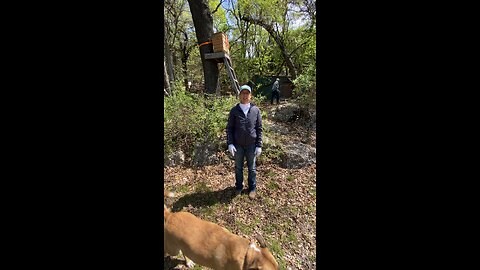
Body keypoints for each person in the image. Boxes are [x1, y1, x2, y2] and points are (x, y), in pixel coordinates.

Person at [226, 85, 263, 199]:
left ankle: (252, 188)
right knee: (238, 168)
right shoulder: (234, 110)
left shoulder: (255, 110)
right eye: (243, 93)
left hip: (252, 145)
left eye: (247, 93)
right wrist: (230, 143)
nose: (245, 96)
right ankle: (238, 187)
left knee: (252, 168)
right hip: (238, 145)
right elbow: (229, 128)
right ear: (239, 95)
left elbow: (259, 128)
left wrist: (259, 145)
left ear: (250, 96)